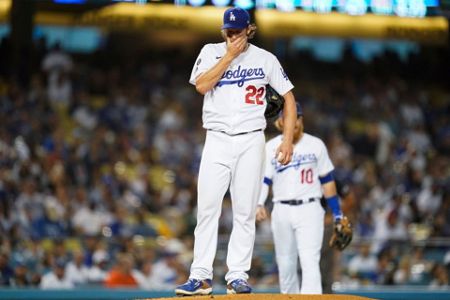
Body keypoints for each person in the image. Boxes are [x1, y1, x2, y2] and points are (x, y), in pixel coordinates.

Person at [175, 6, 297, 296]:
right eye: (227, 31)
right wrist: (228, 57)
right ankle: (200, 277)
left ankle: (237, 276)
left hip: (251, 140)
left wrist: (288, 139)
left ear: (248, 30)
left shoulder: (265, 59)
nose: (231, 35)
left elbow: (289, 99)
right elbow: (202, 86)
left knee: (244, 212)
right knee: (207, 209)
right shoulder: (210, 51)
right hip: (216, 138)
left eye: (236, 31)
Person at [256, 103, 346, 294]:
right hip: (281, 209)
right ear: (280, 123)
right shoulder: (270, 147)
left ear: (301, 120)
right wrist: (259, 202)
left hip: (310, 208)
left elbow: (328, 182)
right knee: (286, 263)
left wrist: (337, 214)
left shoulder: (315, 144)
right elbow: (264, 179)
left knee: (309, 260)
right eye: (288, 119)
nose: (293, 122)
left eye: (296, 118)